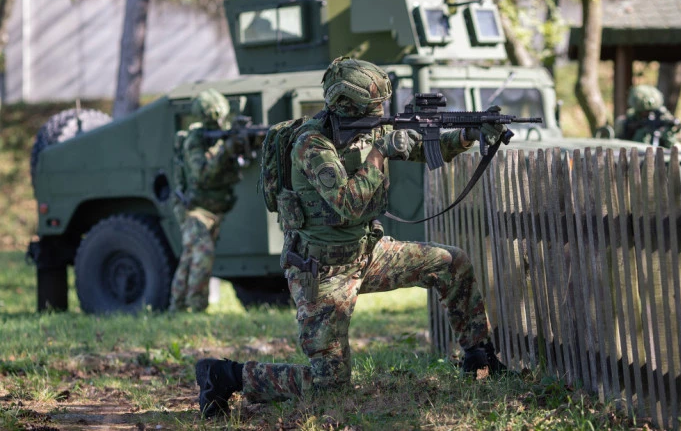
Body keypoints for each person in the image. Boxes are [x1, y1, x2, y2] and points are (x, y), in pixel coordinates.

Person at [194, 57, 509, 418]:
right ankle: (224, 376)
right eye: (372, 107)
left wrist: (469, 134)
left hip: (366, 254)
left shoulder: (366, 129)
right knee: (328, 385)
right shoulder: (311, 145)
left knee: (451, 263)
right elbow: (348, 204)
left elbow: (424, 147)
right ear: (346, 104)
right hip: (321, 271)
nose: (379, 113)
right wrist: (380, 152)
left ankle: (480, 357)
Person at [169, 88, 246, 312]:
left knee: (189, 257)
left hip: (212, 209)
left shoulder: (219, 137)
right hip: (195, 209)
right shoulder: (195, 140)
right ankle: (196, 306)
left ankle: (177, 306)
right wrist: (225, 150)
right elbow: (202, 173)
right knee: (202, 253)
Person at [614, 84, 681, 149]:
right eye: (644, 113)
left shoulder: (666, 119)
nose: (647, 115)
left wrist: (669, 137)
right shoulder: (627, 120)